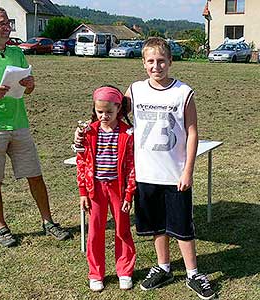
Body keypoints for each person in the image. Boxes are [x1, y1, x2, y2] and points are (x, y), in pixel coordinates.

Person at [75, 37, 215, 299]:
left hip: (174, 173)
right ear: (143, 63)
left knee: (182, 227)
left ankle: (193, 273)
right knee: (155, 227)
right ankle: (163, 267)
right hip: (145, 173)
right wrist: (87, 132)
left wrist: (188, 171)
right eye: (150, 61)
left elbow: (192, 131)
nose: (156, 66)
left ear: (170, 62)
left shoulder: (183, 92)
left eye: (161, 61)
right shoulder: (135, 90)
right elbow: (109, 111)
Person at [0, 7, 72, 248]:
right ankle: (2, 228)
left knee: (35, 176)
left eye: (9, 23)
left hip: (20, 125)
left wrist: (30, 84)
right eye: (2, 23)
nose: (7, 27)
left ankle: (48, 221)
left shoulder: (17, 54)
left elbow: (28, 89)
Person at [76, 86, 136, 292]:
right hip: (96, 191)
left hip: (119, 190)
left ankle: (125, 271)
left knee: (122, 230)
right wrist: (83, 192)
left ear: (119, 109)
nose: (104, 116)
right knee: (95, 232)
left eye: (109, 112)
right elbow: (82, 163)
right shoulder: (88, 132)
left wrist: (129, 194)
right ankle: (96, 273)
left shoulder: (127, 134)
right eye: (100, 112)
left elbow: (131, 166)